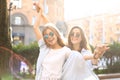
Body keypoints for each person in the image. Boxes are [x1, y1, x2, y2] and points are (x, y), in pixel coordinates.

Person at [33, 2, 100, 80]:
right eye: (46, 36)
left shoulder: (65, 50)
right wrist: (40, 12)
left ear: (56, 34)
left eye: (51, 34)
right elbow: (37, 27)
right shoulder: (44, 48)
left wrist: (94, 56)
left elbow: (78, 56)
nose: (49, 37)